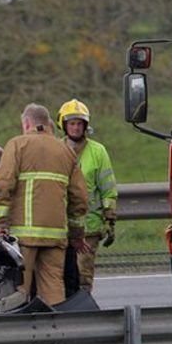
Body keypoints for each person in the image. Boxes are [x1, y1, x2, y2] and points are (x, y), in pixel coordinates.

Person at [0, 103, 89, 306]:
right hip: (56, 235)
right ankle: (57, 333)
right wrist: (76, 234)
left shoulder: (17, 145)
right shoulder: (66, 150)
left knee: (20, 291)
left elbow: (2, 186)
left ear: (27, 123)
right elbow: (79, 198)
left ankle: (22, 334)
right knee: (54, 288)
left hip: (23, 236)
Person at [57, 99, 117, 292]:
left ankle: (84, 314)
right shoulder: (55, 149)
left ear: (85, 126)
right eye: (72, 123)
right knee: (60, 275)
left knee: (83, 275)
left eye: (79, 123)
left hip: (89, 225)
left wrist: (110, 218)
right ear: (64, 125)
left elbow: (108, 187)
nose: (75, 128)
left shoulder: (98, 151)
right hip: (60, 225)